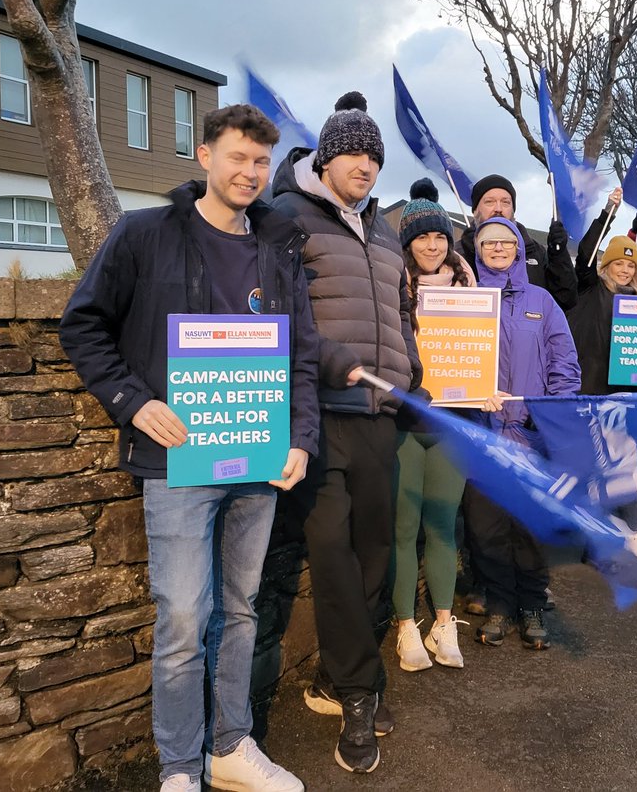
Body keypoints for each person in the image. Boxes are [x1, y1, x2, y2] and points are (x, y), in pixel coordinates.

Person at [59, 104, 315, 792]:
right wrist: (134, 402)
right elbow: (83, 326)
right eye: (237, 157)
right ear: (204, 157)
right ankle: (179, 767)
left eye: (262, 162)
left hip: (258, 459)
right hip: (178, 463)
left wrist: (301, 439)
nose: (250, 172)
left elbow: (302, 359)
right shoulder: (145, 234)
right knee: (179, 617)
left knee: (240, 609)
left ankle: (230, 748)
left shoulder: (280, 246)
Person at [271, 92, 423, 774]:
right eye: (354, 152)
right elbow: (276, 312)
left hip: (380, 416)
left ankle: (336, 678)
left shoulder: (387, 229)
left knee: (373, 554)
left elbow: (402, 308)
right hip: (318, 408)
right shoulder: (284, 218)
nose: (366, 163)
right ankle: (360, 694)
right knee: (330, 551)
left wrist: (412, 372)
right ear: (327, 158)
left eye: (375, 154)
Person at [466, 215, 581, 649]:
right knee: (487, 526)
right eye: (488, 242)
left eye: (505, 242)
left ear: (518, 248)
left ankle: (532, 604)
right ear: (478, 249)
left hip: (531, 433)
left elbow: (563, 362)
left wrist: (551, 414)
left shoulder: (542, 301)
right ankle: (499, 605)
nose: (497, 248)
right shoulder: (466, 298)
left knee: (530, 523)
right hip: (483, 434)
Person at [567, 188, 637, 560]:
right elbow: (585, 254)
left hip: (619, 396)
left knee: (612, 472)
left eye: (631, 265)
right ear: (606, 265)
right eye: (619, 263)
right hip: (585, 391)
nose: (625, 269)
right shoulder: (586, 287)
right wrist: (607, 212)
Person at [392, 195, 474, 672]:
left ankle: (444, 622)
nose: (432, 244)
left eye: (440, 235)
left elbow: (482, 354)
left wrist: (486, 388)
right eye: (422, 235)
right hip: (406, 425)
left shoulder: (470, 290)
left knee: (442, 527)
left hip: (453, 424)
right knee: (403, 529)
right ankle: (406, 626)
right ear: (407, 241)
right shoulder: (392, 289)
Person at [457, 173, 577, 311]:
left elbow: (566, 299)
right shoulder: (459, 255)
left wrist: (559, 255)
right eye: (489, 202)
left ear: (513, 210)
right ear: (475, 210)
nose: (498, 209)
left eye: (505, 202)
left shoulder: (535, 251)